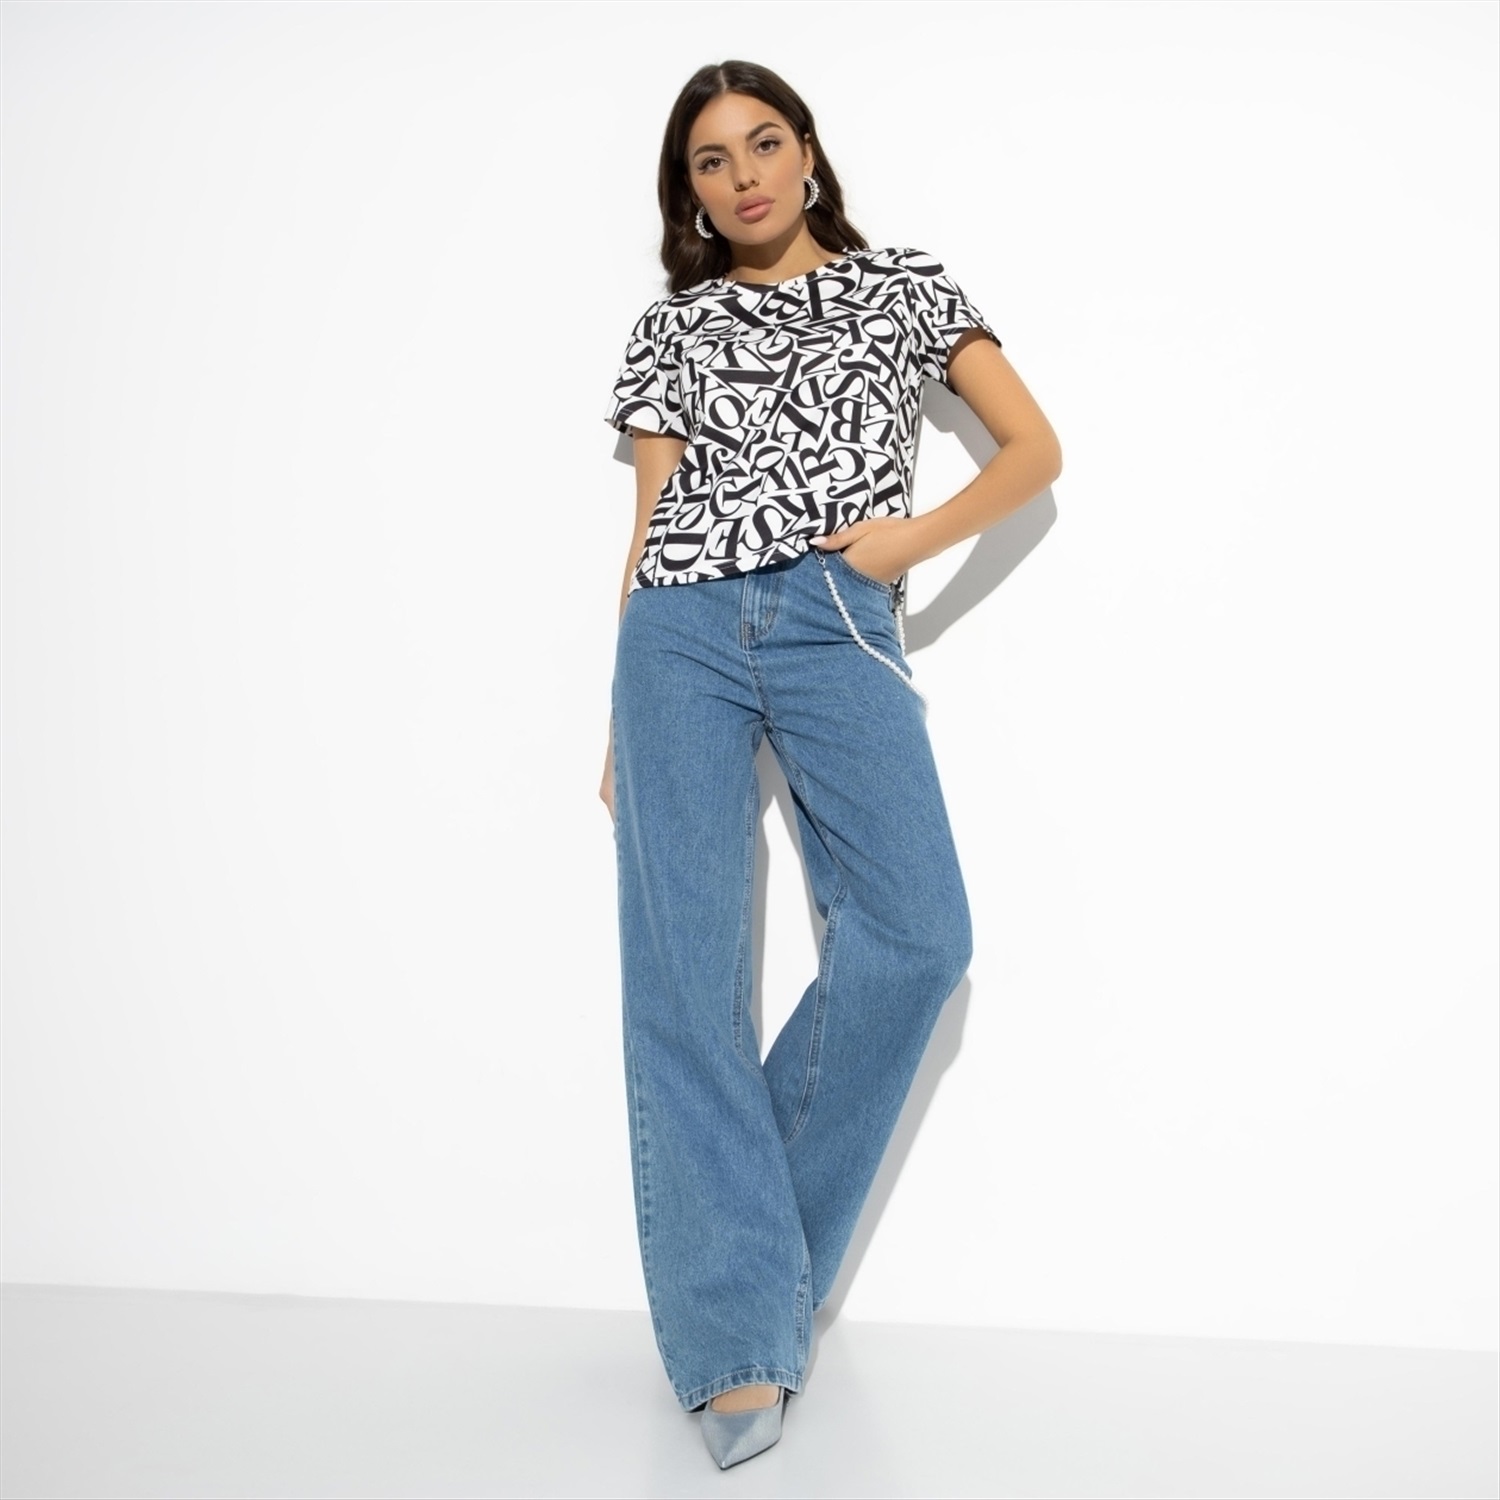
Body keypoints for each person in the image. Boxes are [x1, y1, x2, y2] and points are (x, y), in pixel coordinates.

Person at [599, 59, 1062, 1470]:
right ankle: (740, 1346)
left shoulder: (905, 287)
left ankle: (744, 1282)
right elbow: (650, 523)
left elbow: (1033, 450)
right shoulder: (672, 328)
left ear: (808, 154)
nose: (741, 175)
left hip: (835, 616)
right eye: (710, 160)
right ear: (690, 193)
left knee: (919, 940)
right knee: (685, 978)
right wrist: (618, 712)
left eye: (762, 143)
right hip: (676, 635)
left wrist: (899, 547)